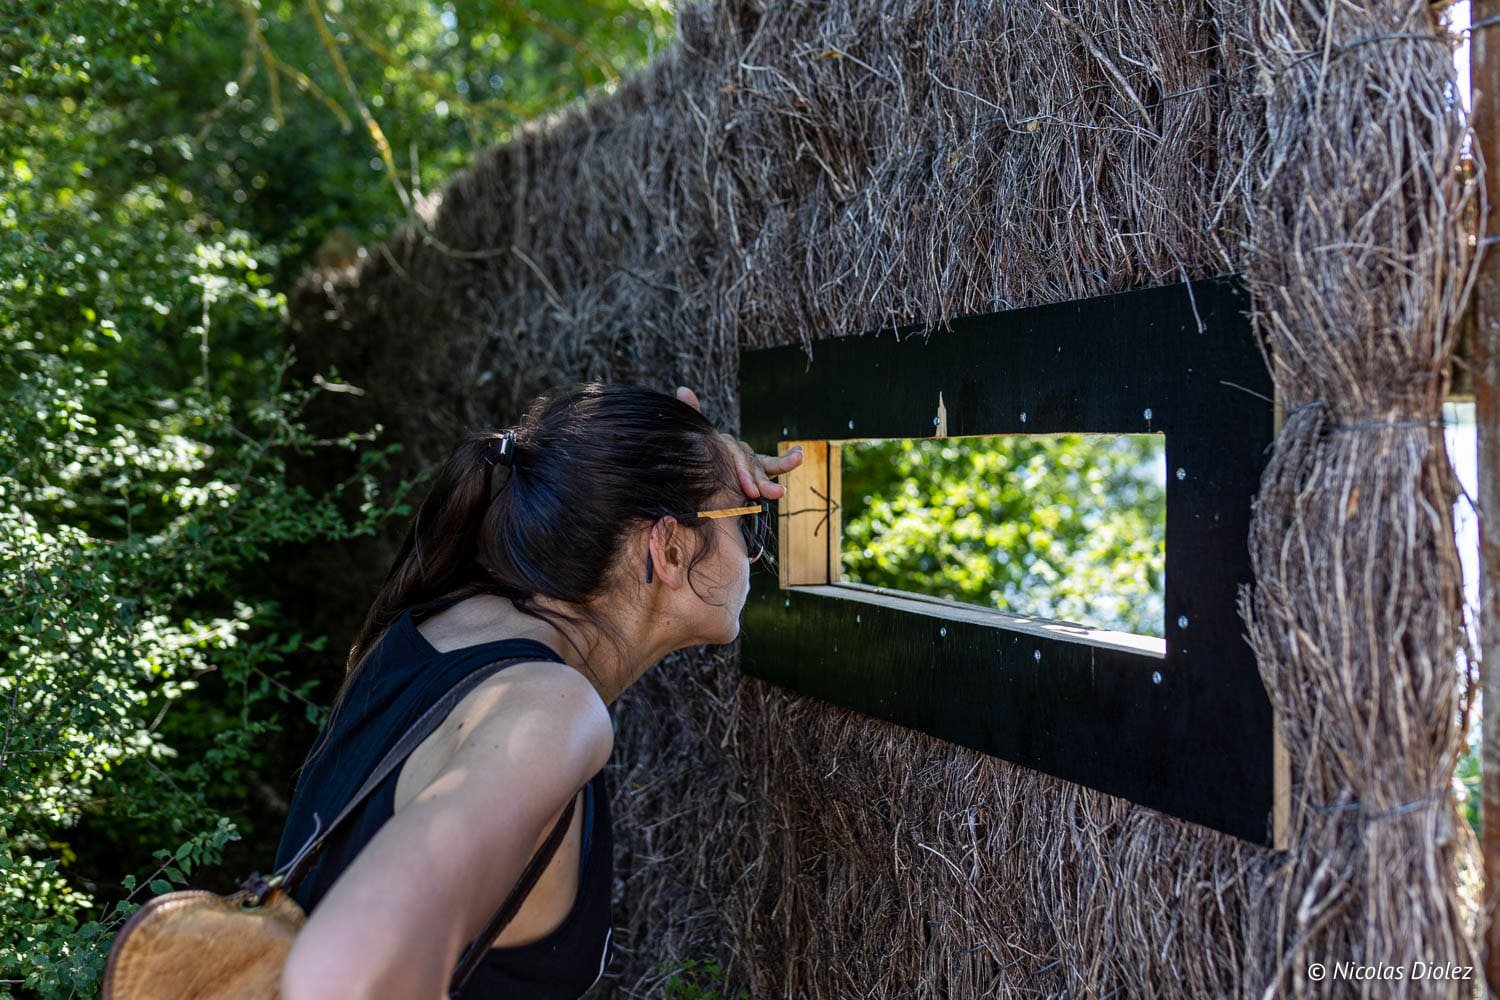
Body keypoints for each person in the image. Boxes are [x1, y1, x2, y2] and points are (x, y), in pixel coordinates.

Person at [275, 382, 803, 1000]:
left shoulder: (438, 624)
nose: (752, 551)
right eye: (746, 523)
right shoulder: (546, 714)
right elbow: (339, 975)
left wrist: (700, 460)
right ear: (670, 547)